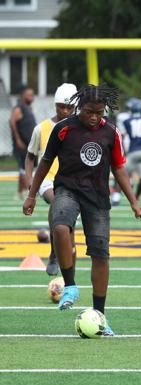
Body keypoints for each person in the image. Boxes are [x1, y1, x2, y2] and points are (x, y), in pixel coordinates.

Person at [23, 84, 141, 336]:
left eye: (99, 112)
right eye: (90, 111)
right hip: (67, 189)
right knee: (59, 226)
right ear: (80, 107)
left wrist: (133, 200)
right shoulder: (63, 128)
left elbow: (119, 168)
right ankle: (69, 285)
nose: (94, 117)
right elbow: (45, 162)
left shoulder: (111, 132)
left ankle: (100, 315)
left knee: (101, 254)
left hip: (97, 197)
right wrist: (32, 194)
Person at [24, 83, 78, 276]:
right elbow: (30, 156)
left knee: (70, 232)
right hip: (48, 180)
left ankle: (65, 270)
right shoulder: (42, 128)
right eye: (60, 106)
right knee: (58, 202)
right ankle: (55, 254)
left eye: (69, 107)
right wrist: (30, 180)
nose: (64, 111)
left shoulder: (80, 128)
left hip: (74, 182)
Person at [10, 86, 37, 200]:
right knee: (23, 168)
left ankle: (22, 191)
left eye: (33, 94)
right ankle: (23, 191)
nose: (32, 97)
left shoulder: (28, 108)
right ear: (23, 95)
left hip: (29, 143)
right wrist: (18, 140)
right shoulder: (19, 108)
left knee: (27, 168)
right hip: (21, 144)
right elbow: (12, 122)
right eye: (29, 94)